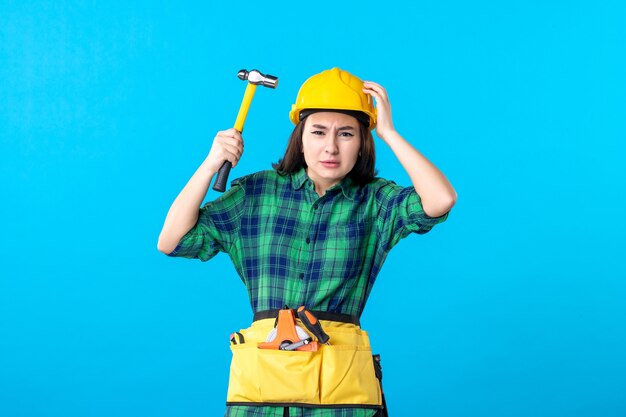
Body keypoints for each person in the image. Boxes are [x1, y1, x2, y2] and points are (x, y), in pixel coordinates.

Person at [158, 67, 457, 417]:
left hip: (341, 398)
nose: (330, 147)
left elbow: (440, 200)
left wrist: (389, 132)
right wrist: (209, 166)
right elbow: (172, 240)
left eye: (346, 134)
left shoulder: (375, 202)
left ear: (362, 143)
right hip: (263, 396)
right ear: (300, 137)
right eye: (318, 132)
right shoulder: (256, 193)